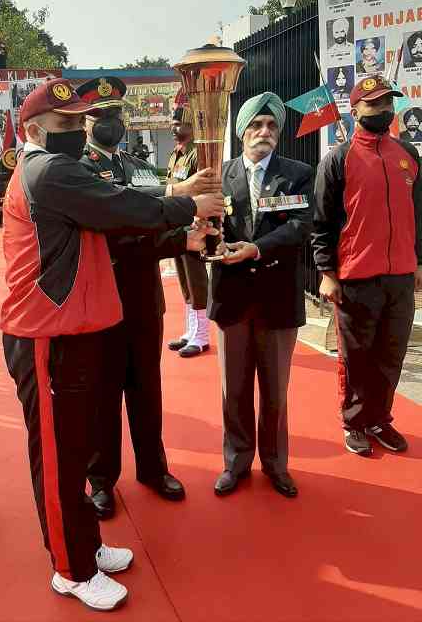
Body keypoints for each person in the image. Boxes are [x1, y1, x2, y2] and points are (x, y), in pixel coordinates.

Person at [0, 78, 224, 611]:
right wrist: (187, 205)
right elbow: (125, 209)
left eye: (80, 121)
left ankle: (86, 544)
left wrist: (179, 206)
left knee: (74, 452)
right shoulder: (47, 170)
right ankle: (70, 569)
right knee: (57, 459)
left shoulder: (58, 171)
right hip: (46, 335)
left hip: (74, 331)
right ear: (32, 130)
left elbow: (122, 214)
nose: (77, 130)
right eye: (65, 124)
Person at [75, 77, 217, 521]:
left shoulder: (139, 166)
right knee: (102, 393)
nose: (109, 123)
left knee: (146, 388)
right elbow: (119, 219)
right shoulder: (76, 169)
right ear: (84, 121)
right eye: (100, 115)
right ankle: (101, 480)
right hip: (101, 297)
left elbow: (153, 221)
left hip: (142, 296)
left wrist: (186, 238)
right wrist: (175, 205)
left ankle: (153, 469)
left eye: (115, 114)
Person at [208, 92, 313, 499]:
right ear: (241, 132)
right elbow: (205, 224)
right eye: (255, 125)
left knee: (275, 390)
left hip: (277, 298)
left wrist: (255, 248)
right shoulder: (218, 173)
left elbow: (300, 227)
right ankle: (235, 462)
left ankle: (275, 464)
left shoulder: (298, 173)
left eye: (271, 126)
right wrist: (208, 243)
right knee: (233, 389)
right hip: (231, 299)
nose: (263, 132)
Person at [312, 75, 422, 456]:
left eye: (388, 103)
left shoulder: (408, 154)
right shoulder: (338, 159)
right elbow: (322, 223)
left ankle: (380, 418)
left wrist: (418, 261)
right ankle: (355, 421)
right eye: (374, 104)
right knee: (357, 357)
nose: (383, 110)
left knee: (391, 355)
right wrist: (326, 273)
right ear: (355, 109)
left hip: (401, 277)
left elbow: (418, 214)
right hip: (356, 277)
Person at [166, 96, 211, 356]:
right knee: (184, 279)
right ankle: (190, 330)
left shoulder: (197, 152)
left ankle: (202, 335)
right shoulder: (177, 154)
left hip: (193, 225)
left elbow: (202, 190)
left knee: (196, 280)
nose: (174, 128)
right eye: (172, 124)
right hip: (176, 225)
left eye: (178, 124)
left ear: (191, 125)